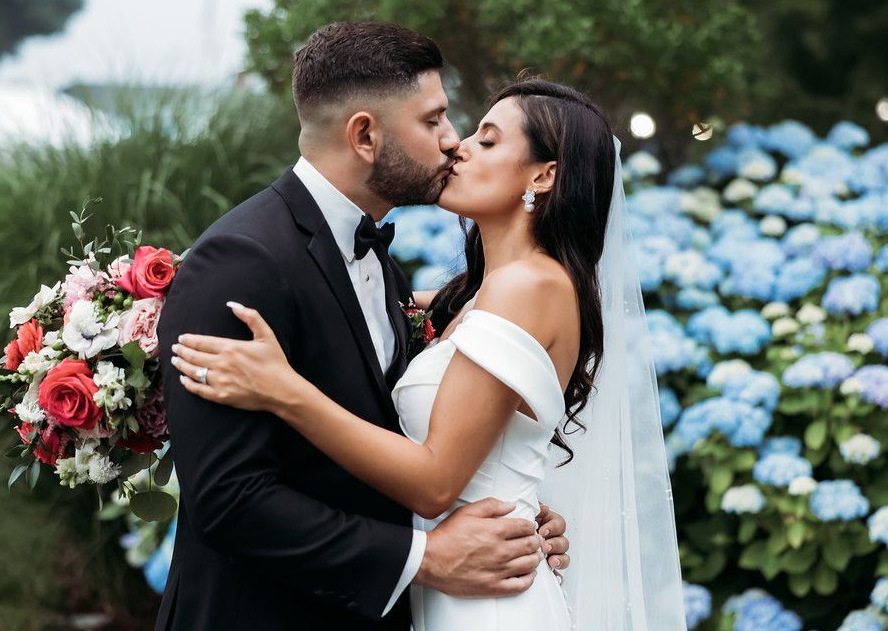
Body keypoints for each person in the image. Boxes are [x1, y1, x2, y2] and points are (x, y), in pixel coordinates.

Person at [170, 76, 687, 629]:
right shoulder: (472, 293)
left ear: (544, 174)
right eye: (445, 125)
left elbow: (436, 481)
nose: (456, 145)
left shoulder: (529, 287)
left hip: (485, 598)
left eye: (487, 140)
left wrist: (286, 391)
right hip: (447, 587)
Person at [154, 22, 571, 631]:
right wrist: (425, 558)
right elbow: (228, 500)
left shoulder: (383, 265)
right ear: (366, 135)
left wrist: (509, 512)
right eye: (433, 121)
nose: (452, 142)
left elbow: (409, 439)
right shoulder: (241, 262)